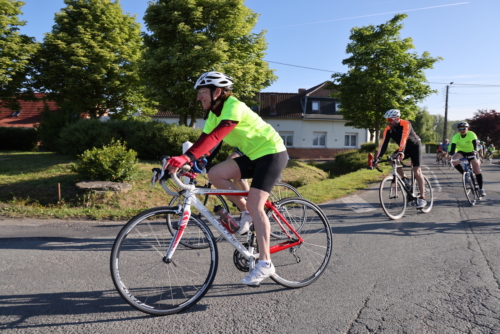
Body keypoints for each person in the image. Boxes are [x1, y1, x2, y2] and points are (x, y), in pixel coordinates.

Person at [165, 71, 288, 286]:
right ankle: (246, 212)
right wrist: (193, 165)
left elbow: (216, 135)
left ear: (218, 92)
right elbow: (208, 144)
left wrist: (186, 156)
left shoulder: (234, 106)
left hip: (272, 153)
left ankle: (266, 263)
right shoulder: (213, 114)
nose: (198, 97)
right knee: (216, 174)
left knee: (256, 204)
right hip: (253, 156)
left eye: (202, 92)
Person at [373, 109, 427, 208]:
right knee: (391, 160)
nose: (388, 122)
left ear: (397, 119)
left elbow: (404, 138)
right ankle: (405, 179)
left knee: (417, 172)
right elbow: (383, 144)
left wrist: (401, 151)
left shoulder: (406, 124)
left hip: (415, 147)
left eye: (390, 119)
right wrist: (377, 158)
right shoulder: (388, 129)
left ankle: (422, 198)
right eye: (386, 120)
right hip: (404, 148)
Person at [449, 122, 486, 197]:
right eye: (460, 129)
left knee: (476, 169)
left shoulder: (471, 134)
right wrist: (451, 155)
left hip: (471, 151)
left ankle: (481, 188)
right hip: (462, 152)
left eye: (464, 128)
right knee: (454, 161)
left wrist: (475, 150)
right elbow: (453, 147)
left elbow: (474, 143)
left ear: (467, 128)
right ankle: (464, 174)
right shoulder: (456, 136)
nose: (462, 130)